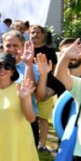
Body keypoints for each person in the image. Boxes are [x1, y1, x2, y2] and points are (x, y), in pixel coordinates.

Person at [30, 24, 58, 152]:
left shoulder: (50, 51)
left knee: (43, 117)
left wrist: (51, 87)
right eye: (32, 32)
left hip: (45, 89)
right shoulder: (26, 50)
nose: (34, 34)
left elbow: (56, 70)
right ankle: (29, 142)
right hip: (28, 88)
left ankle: (42, 145)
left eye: (37, 32)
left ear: (43, 35)